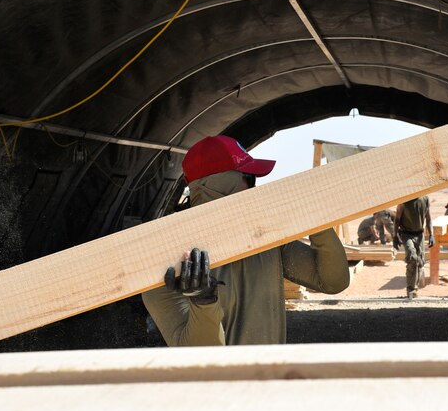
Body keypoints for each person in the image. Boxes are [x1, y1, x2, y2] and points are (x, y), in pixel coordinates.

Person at [142, 135, 350, 346]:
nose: (254, 188)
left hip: (272, 377)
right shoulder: (165, 263)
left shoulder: (265, 239)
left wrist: (317, 220)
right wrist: (202, 301)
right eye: (249, 179)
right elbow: (198, 355)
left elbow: (332, 281)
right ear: (219, 186)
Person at [393, 196, 434, 299]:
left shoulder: (425, 199)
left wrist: (431, 234)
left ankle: (414, 290)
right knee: (412, 258)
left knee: (420, 263)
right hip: (406, 234)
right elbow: (397, 219)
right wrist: (395, 236)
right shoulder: (404, 200)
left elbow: (428, 218)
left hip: (419, 235)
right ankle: (411, 289)